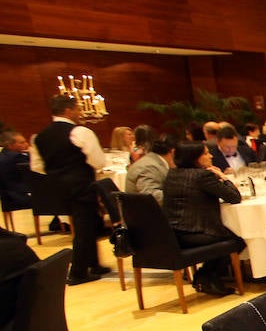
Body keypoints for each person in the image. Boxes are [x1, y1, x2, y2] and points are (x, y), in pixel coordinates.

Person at [31, 95, 107, 285]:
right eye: (78, 109)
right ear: (68, 111)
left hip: (58, 188)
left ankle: (94, 264)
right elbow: (98, 161)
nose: (80, 113)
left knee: (88, 224)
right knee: (83, 228)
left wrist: (59, 172)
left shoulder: (40, 137)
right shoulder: (79, 132)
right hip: (81, 185)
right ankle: (78, 272)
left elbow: (37, 166)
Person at [161, 142, 245, 295]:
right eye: (206, 153)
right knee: (237, 242)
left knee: (228, 236)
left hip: (173, 233)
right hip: (196, 232)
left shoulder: (172, 174)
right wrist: (223, 177)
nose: (211, 156)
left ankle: (206, 277)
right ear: (195, 158)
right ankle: (207, 277)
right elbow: (234, 197)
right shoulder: (203, 176)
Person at [125, 134, 175, 202]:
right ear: (173, 152)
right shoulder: (150, 166)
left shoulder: (152, 159)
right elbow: (150, 195)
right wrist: (178, 197)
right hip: (142, 208)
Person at [0, 131, 33, 221]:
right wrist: (32, 153)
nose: (27, 144)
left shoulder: (3, 155)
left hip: (6, 198)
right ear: (10, 145)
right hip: (22, 196)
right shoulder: (17, 157)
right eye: (22, 143)